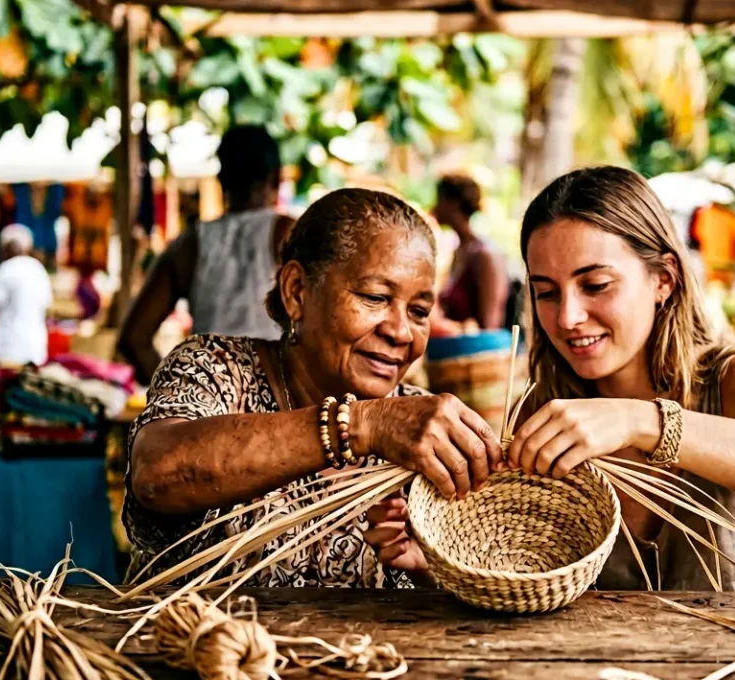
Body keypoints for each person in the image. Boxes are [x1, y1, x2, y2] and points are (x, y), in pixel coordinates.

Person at [367, 166, 735, 592]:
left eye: (596, 285)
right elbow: (530, 583)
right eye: (546, 293)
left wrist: (643, 422)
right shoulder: (545, 417)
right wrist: (437, 567)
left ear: (664, 279)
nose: (569, 317)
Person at [124, 187, 502, 587]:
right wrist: (360, 426)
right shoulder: (216, 368)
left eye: (420, 311)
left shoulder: (425, 436)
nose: (401, 331)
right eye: (375, 297)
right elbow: (157, 474)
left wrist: (437, 574)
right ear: (297, 292)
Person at [118, 125, 298, 383]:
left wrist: (177, 395)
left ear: (221, 179)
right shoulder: (291, 233)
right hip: (276, 406)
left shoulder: (191, 244)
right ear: (277, 178)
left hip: (209, 407)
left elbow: (134, 339)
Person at [432, 174, 512, 330]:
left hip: (479, 351)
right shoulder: (459, 252)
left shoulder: (485, 256)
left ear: (453, 203)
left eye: (439, 199)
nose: (435, 207)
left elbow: (490, 325)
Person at [0, 224, 53, 367]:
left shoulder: (7, 268)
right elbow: (46, 306)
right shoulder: (38, 269)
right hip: (35, 346)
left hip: (10, 345)